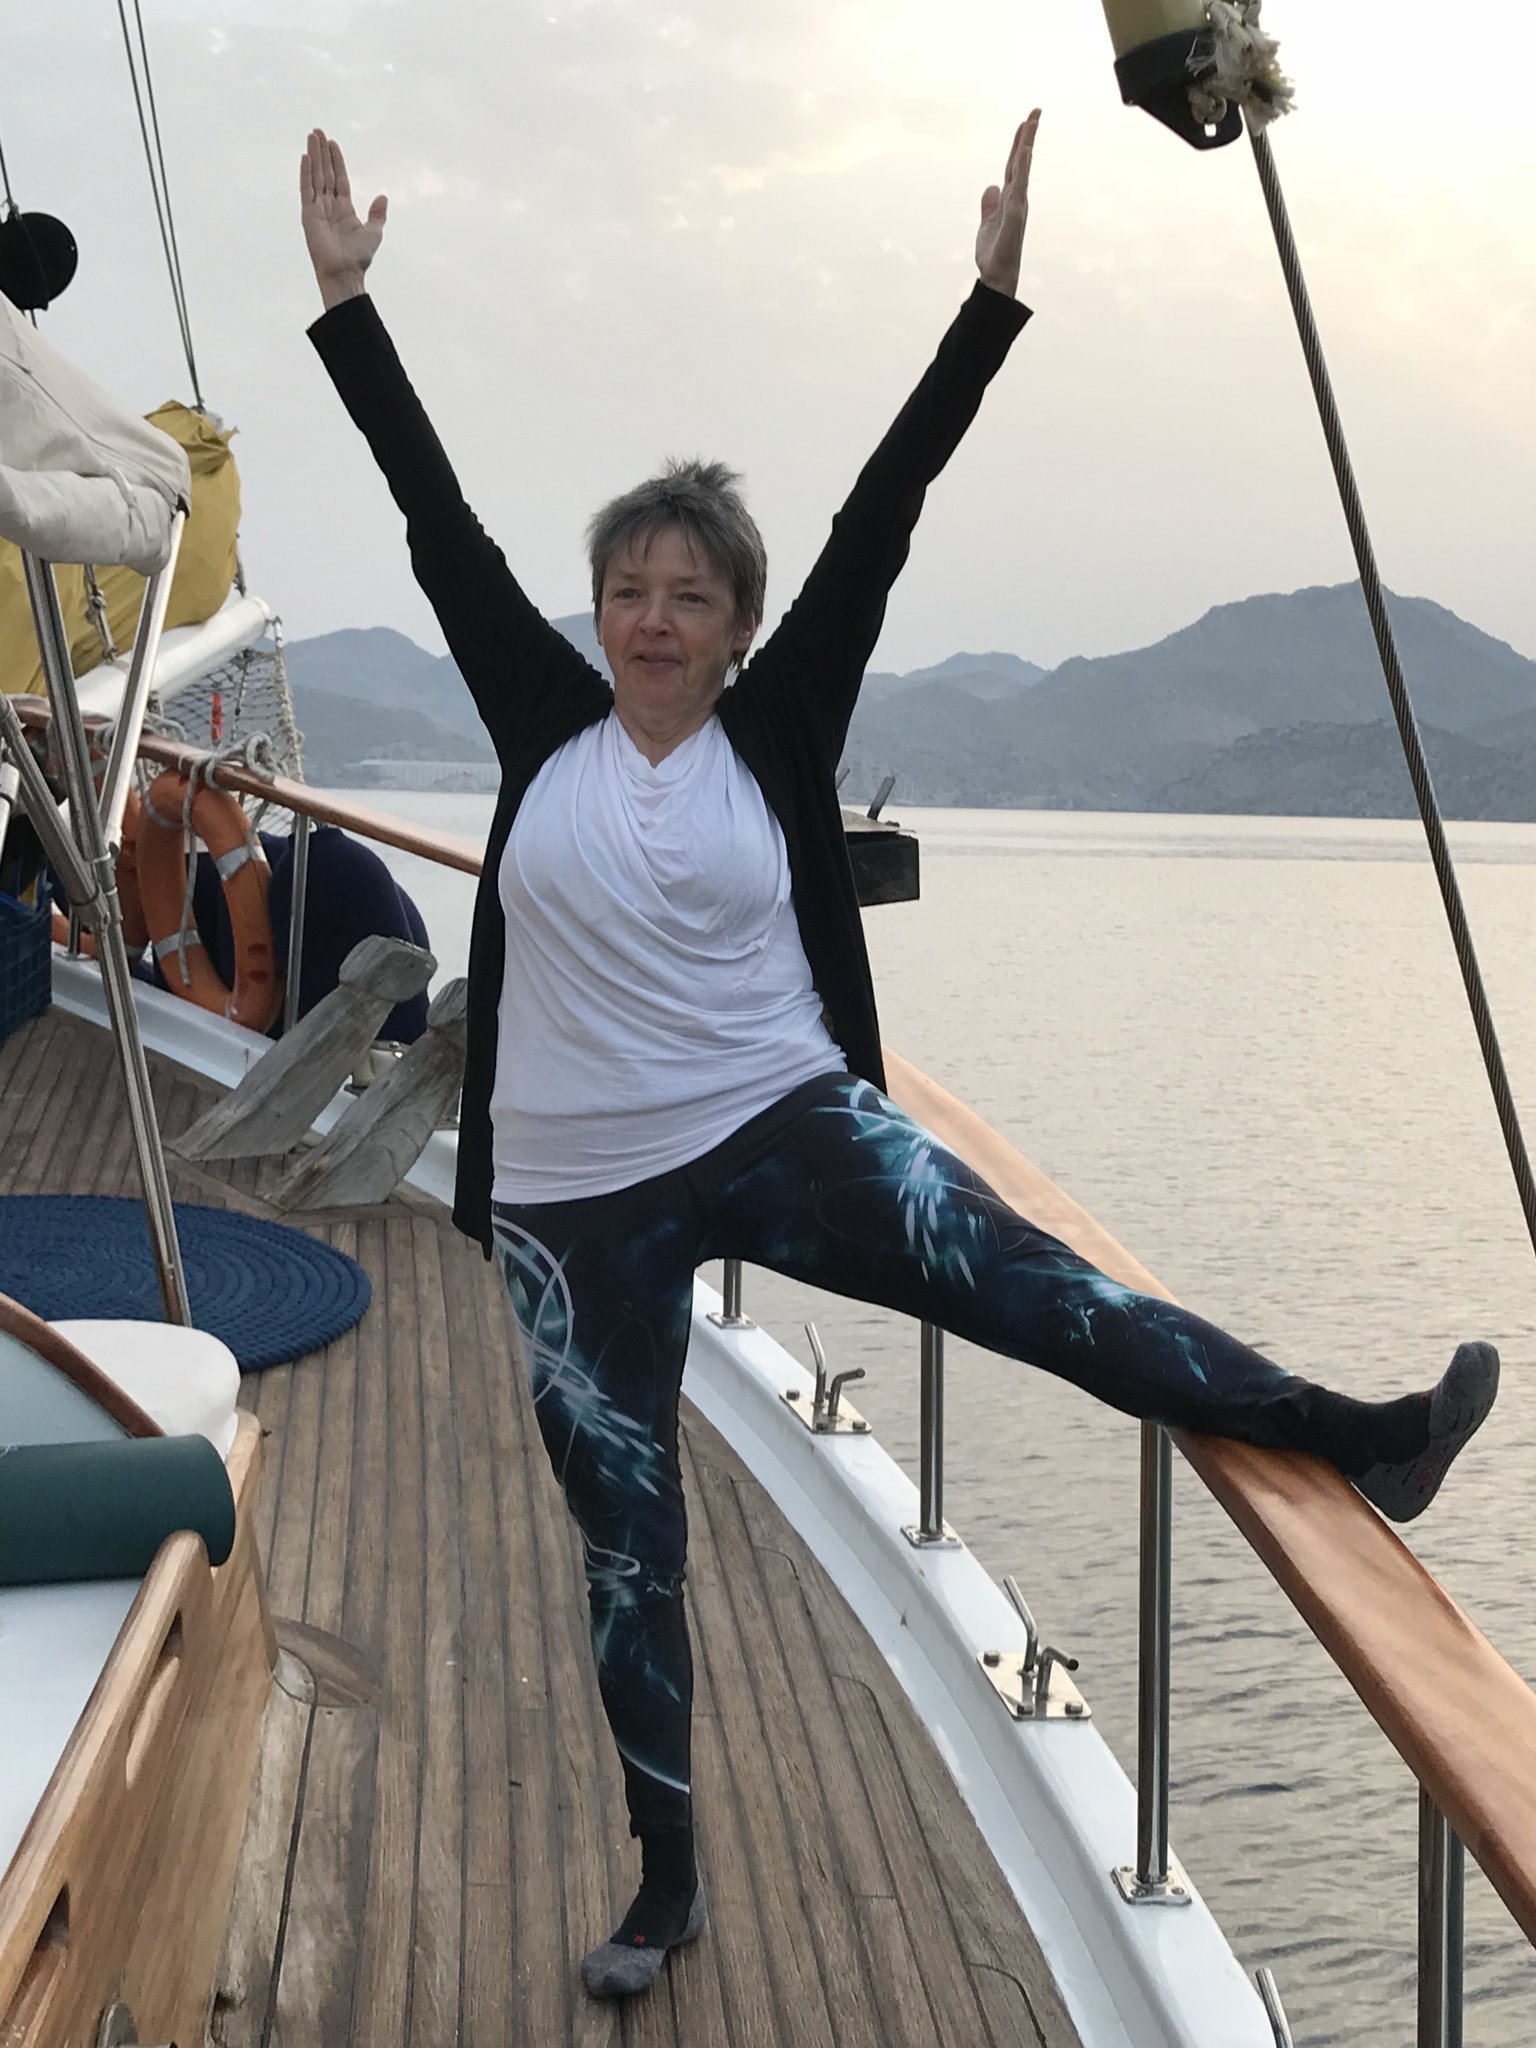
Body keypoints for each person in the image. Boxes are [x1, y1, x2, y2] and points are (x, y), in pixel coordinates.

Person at [298, 119, 1499, 2001]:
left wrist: (988, 304)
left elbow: (886, 507)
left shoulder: (774, 730)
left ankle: (1356, 1434)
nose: (654, 620)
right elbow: (430, 511)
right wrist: (349, 308)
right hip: (571, 1203)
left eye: (692, 596)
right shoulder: (544, 720)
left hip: (781, 1124)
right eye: (630, 589)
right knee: (627, 1549)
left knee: (1046, 1292)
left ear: (740, 627)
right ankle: (666, 1881)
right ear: (597, 610)